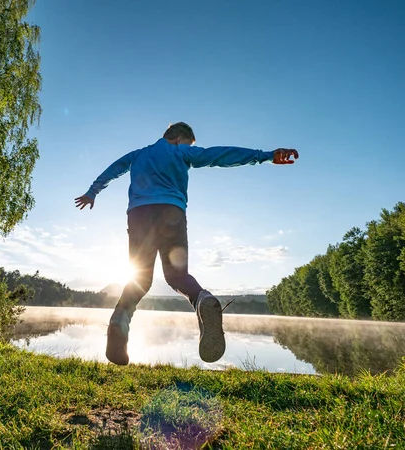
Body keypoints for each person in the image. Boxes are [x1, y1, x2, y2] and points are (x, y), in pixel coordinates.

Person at [74, 122, 299, 365]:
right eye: (189, 144)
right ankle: (201, 299)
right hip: (172, 213)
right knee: (177, 277)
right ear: (180, 138)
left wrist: (92, 192)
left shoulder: (138, 155)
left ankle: (119, 325)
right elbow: (219, 155)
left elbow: (114, 169)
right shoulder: (181, 152)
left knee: (140, 279)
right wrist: (264, 156)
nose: (191, 147)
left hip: (139, 215)